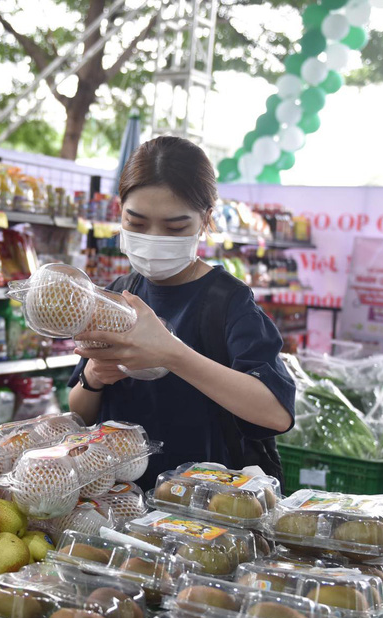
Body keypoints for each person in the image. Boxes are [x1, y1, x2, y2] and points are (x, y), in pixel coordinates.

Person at [68, 136, 295, 488]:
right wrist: (94, 378)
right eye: (137, 223)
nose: (154, 239)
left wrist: (171, 353)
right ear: (119, 210)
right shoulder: (115, 295)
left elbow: (277, 414)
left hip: (203, 515)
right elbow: (79, 412)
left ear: (205, 220)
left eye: (175, 228)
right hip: (116, 507)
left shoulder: (228, 303)